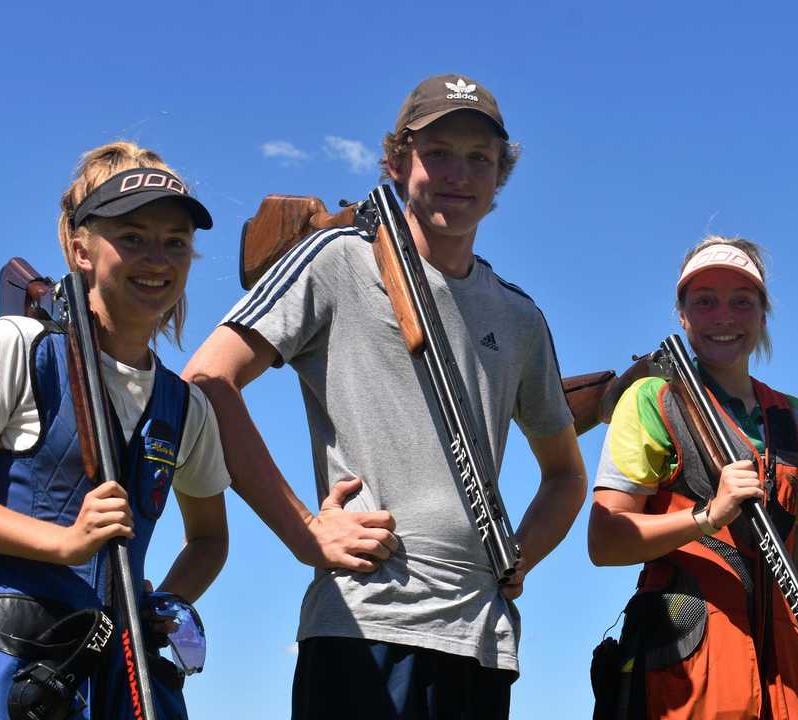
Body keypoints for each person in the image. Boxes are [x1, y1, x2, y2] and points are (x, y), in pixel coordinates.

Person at [183, 74, 586, 719]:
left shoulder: (519, 317)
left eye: (479, 158)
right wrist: (305, 529)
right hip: (364, 627)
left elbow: (565, 475)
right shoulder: (338, 259)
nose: (459, 173)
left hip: (482, 637)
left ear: (500, 175)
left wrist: (524, 554)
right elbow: (205, 380)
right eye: (439, 153)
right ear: (397, 162)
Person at [0, 141, 231, 718]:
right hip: (14, 662)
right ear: (81, 249)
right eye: (131, 237)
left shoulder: (186, 406)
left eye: (176, 243)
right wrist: (63, 543)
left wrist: (165, 601)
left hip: (123, 670)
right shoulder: (19, 347)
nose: (157, 259)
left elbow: (210, 538)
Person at [588, 236, 798, 719]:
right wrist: (708, 516)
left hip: (783, 675)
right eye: (705, 302)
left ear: (763, 315)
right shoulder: (652, 401)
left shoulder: (795, 419)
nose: (723, 317)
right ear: (682, 315)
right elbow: (605, 541)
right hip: (686, 680)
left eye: (741, 302)